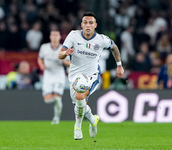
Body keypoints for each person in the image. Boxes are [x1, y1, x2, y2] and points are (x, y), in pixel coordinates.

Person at [58, 12, 124, 140]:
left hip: (92, 75)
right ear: (81, 25)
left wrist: (119, 65)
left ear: (95, 25)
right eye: (85, 22)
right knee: (80, 104)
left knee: (80, 96)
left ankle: (77, 128)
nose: (88, 25)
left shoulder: (101, 39)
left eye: (91, 23)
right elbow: (60, 54)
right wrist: (65, 53)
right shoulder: (73, 35)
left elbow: (114, 47)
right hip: (74, 77)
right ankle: (93, 120)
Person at [38, 31, 70, 125]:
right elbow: (40, 58)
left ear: (60, 37)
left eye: (56, 35)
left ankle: (56, 118)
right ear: (50, 37)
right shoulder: (44, 47)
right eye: (53, 35)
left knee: (57, 98)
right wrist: (41, 65)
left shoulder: (63, 49)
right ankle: (55, 102)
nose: (55, 37)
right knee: (47, 100)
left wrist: (64, 61)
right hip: (48, 74)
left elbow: (69, 64)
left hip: (59, 75)